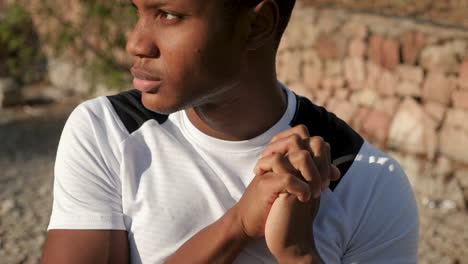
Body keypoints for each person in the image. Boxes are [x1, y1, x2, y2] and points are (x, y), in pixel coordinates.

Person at [40, 0, 419, 263]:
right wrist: (235, 227)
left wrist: (298, 255)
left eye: (168, 15)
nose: (136, 42)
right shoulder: (108, 130)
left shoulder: (365, 178)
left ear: (257, 25)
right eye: (137, 12)